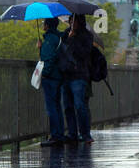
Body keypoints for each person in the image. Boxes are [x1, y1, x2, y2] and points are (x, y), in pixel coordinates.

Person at [59, 13, 97, 144]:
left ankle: (85, 134)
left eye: (74, 21)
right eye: (70, 21)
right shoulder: (65, 34)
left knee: (80, 105)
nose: (71, 24)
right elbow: (61, 51)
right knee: (67, 106)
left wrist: (73, 40)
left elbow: (83, 54)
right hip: (66, 74)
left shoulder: (87, 36)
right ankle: (72, 133)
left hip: (79, 75)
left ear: (80, 22)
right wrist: (68, 39)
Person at [38, 17, 69, 145]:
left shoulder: (50, 40)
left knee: (51, 107)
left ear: (47, 25)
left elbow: (48, 59)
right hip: (58, 77)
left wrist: (44, 74)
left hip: (50, 78)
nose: (42, 25)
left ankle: (55, 135)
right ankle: (59, 134)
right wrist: (41, 47)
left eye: (44, 23)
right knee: (57, 106)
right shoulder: (58, 38)